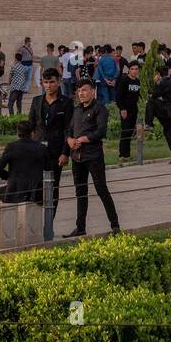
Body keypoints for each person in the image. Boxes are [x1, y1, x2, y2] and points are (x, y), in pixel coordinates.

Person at [63, 79, 121, 237]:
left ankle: (115, 226)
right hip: (77, 157)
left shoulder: (100, 109)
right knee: (80, 192)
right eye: (79, 90)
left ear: (93, 91)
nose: (81, 93)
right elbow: (68, 130)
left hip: (93, 156)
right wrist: (69, 140)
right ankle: (80, 227)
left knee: (102, 189)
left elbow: (101, 131)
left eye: (85, 90)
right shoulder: (76, 110)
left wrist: (83, 139)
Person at [28, 67, 74, 200]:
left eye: (52, 82)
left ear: (58, 82)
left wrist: (65, 153)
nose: (48, 85)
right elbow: (31, 125)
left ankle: (50, 219)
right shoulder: (36, 101)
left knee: (53, 185)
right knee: (35, 184)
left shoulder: (66, 102)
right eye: (45, 82)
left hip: (56, 150)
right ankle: (37, 218)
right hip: (37, 149)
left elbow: (68, 129)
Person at [0, 123, 53, 204]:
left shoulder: (11, 147)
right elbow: (49, 168)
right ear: (32, 133)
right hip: (36, 193)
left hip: (14, 191)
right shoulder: (42, 148)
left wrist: (9, 177)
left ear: (17, 133)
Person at [115, 60, 143, 162]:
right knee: (125, 131)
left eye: (136, 69)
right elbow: (118, 97)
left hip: (133, 110)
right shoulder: (124, 81)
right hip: (125, 110)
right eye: (132, 69)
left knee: (130, 132)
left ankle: (127, 154)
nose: (134, 71)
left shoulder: (137, 81)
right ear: (129, 70)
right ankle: (122, 154)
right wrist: (122, 109)